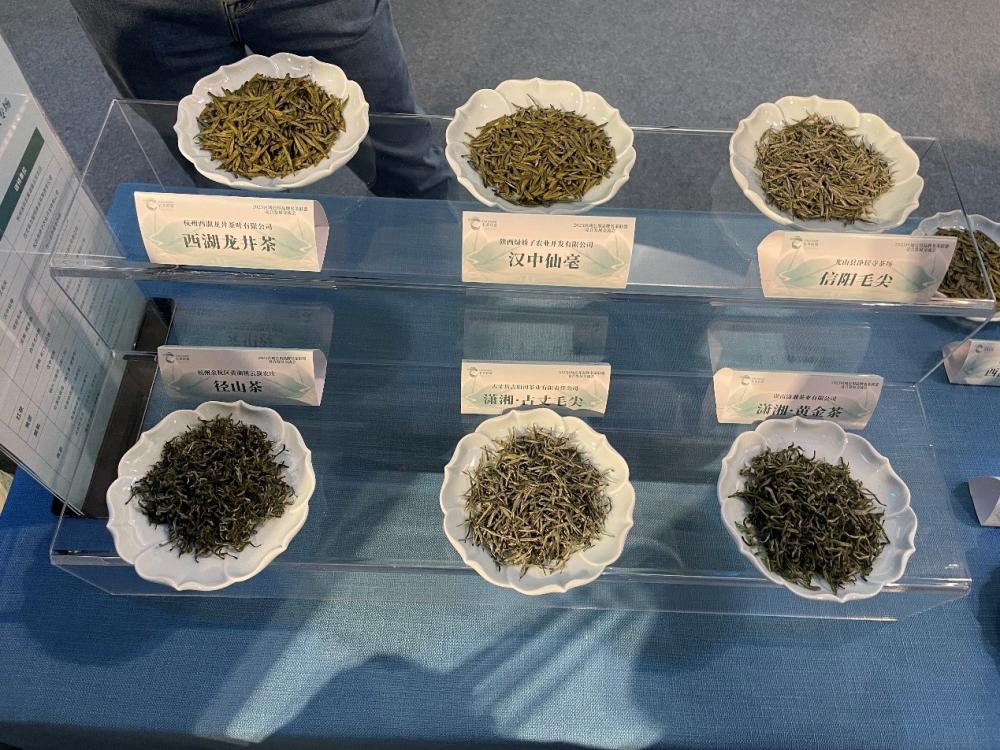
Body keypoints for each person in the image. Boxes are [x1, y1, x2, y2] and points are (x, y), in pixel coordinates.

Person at [70, 0, 451, 197]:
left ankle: (439, 261)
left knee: (401, 153)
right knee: (225, 173)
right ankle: (279, 298)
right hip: (138, 11)